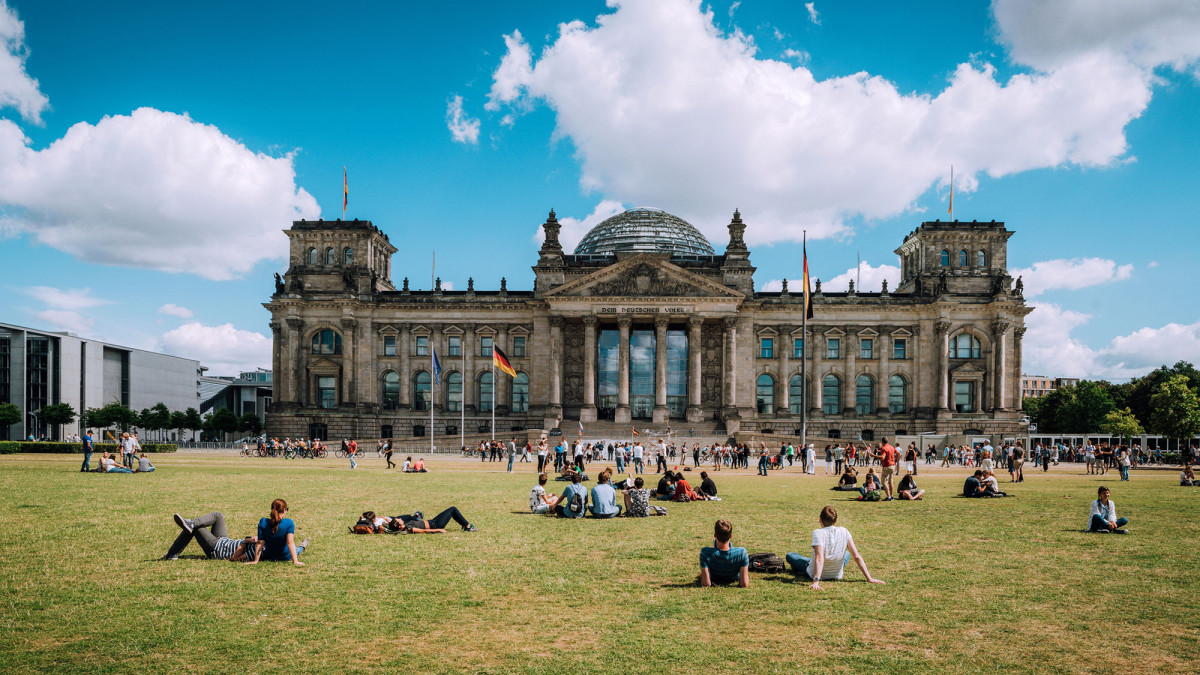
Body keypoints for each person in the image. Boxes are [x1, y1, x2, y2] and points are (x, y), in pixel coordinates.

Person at [786, 506, 885, 590]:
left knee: (790, 555)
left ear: (820, 520)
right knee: (847, 553)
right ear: (836, 521)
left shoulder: (818, 533)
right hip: (836, 574)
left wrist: (816, 581)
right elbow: (856, 556)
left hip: (813, 572)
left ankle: (801, 567)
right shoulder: (844, 531)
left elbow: (819, 558)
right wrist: (869, 578)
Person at [163, 511, 275, 562]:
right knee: (218, 515)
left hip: (217, 549)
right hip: (224, 540)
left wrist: (246, 542)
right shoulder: (263, 540)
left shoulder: (260, 550)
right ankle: (192, 523)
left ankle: (172, 553)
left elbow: (235, 558)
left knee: (196, 529)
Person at [250, 499, 306, 565]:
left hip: (269, 556)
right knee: (298, 549)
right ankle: (303, 545)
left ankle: (303, 545)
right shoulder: (289, 523)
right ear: (284, 510)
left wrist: (255, 561)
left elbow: (260, 543)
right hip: (286, 556)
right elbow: (290, 542)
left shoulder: (263, 522)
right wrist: (295, 561)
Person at [699, 519, 749, 588]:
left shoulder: (706, 552)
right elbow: (744, 584)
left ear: (715, 535)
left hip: (714, 577)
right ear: (730, 536)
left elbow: (706, 584)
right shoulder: (741, 552)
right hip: (733, 577)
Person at [393, 506, 477, 533]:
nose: (400, 518)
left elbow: (390, 521)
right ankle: (468, 526)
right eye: (399, 520)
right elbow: (423, 531)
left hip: (433, 521)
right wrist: (439, 530)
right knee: (452, 509)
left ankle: (465, 525)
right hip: (435, 525)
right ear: (399, 525)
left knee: (451, 511)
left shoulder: (405, 525)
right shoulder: (408, 527)